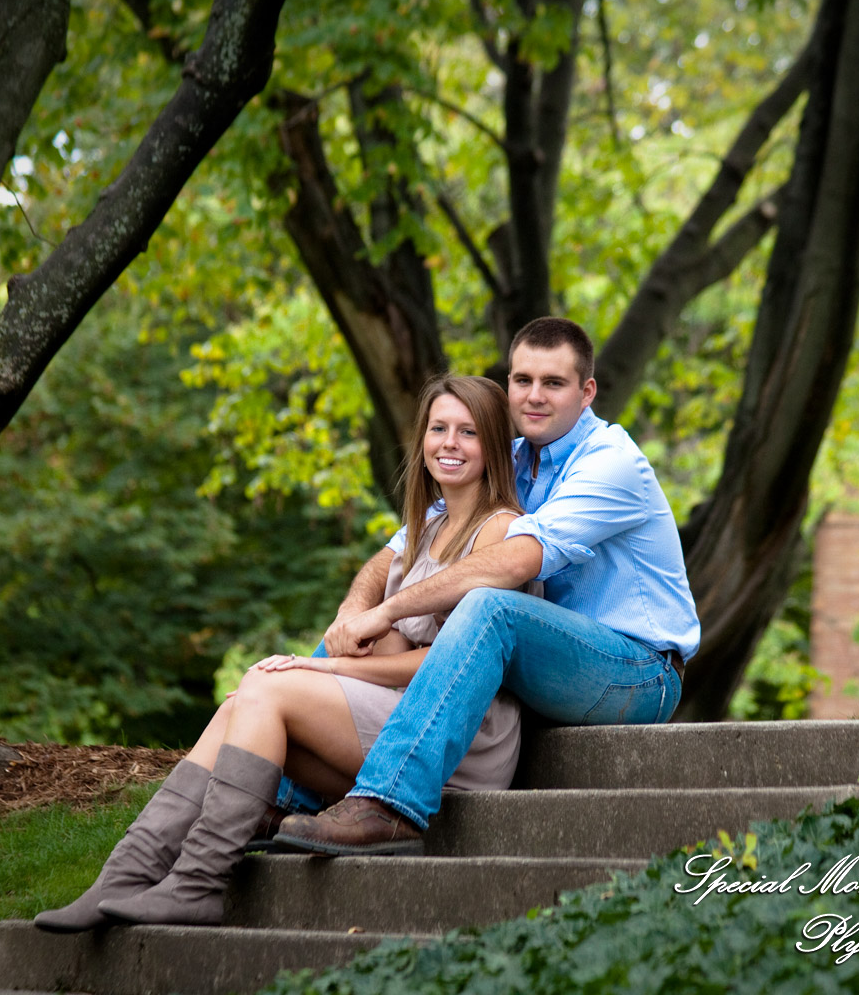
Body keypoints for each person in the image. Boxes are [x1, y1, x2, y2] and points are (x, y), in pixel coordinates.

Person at [33, 375, 529, 929]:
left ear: (493, 446)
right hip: (398, 711)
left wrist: (323, 665)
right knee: (238, 705)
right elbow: (381, 619)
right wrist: (348, 634)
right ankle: (125, 874)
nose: (449, 443)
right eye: (438, 428)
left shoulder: (499, 530)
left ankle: (197, 882)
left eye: (467, 432)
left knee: (263, 689)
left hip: (456, 735)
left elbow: (454, 668)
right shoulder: (429, 525)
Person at [275, 316, 700, 855]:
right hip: (547, 661)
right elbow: (404, 545)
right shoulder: (513, 458)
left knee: (489, 606)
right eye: (522, 380)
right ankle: (289, 798)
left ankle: (391, 805)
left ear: (586, 391)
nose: (534, 396)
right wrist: (353, 611)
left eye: (554, 383)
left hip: (636, 672)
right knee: (375, 617)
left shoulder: (612, 463)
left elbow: (518, 560)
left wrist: (386, 615)